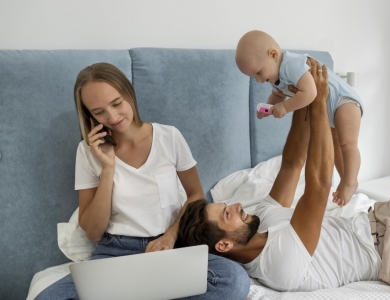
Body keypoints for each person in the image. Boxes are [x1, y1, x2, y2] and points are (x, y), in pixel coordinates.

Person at [179, 60, 390, 291]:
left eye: (226, 205)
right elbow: (320, 185)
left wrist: (304, 96)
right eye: (227, 213)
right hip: (388, 253)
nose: (236, 205)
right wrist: (318, 106)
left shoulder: (260, 220)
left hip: (379, 217)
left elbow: (292, 164)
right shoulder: (278, 265)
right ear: (224, 245)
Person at [35, 62, 250, 300]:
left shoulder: (169, 137)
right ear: (89, 115)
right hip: (114, 254)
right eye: (99, 112)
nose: (113, 117)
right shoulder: (87, 152)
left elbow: (195, 196)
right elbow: (93, 233)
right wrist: (107, 169)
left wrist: (170, 235)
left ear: (129, 94)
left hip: (171, 248)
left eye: (117, 104)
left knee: (234, 280)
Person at [235, 30, 363, 206]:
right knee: (336, 146)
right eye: (253, 77)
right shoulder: (275, 76)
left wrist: (285, 108)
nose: (257, 80)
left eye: (258, 73)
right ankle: (344, 178)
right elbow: (277, 95)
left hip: (344, 102)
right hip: (329, 112)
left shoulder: (291, 65)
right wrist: (267, 109)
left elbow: (310, 93)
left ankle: (350, 181)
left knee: (347, 144)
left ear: (273, 54)